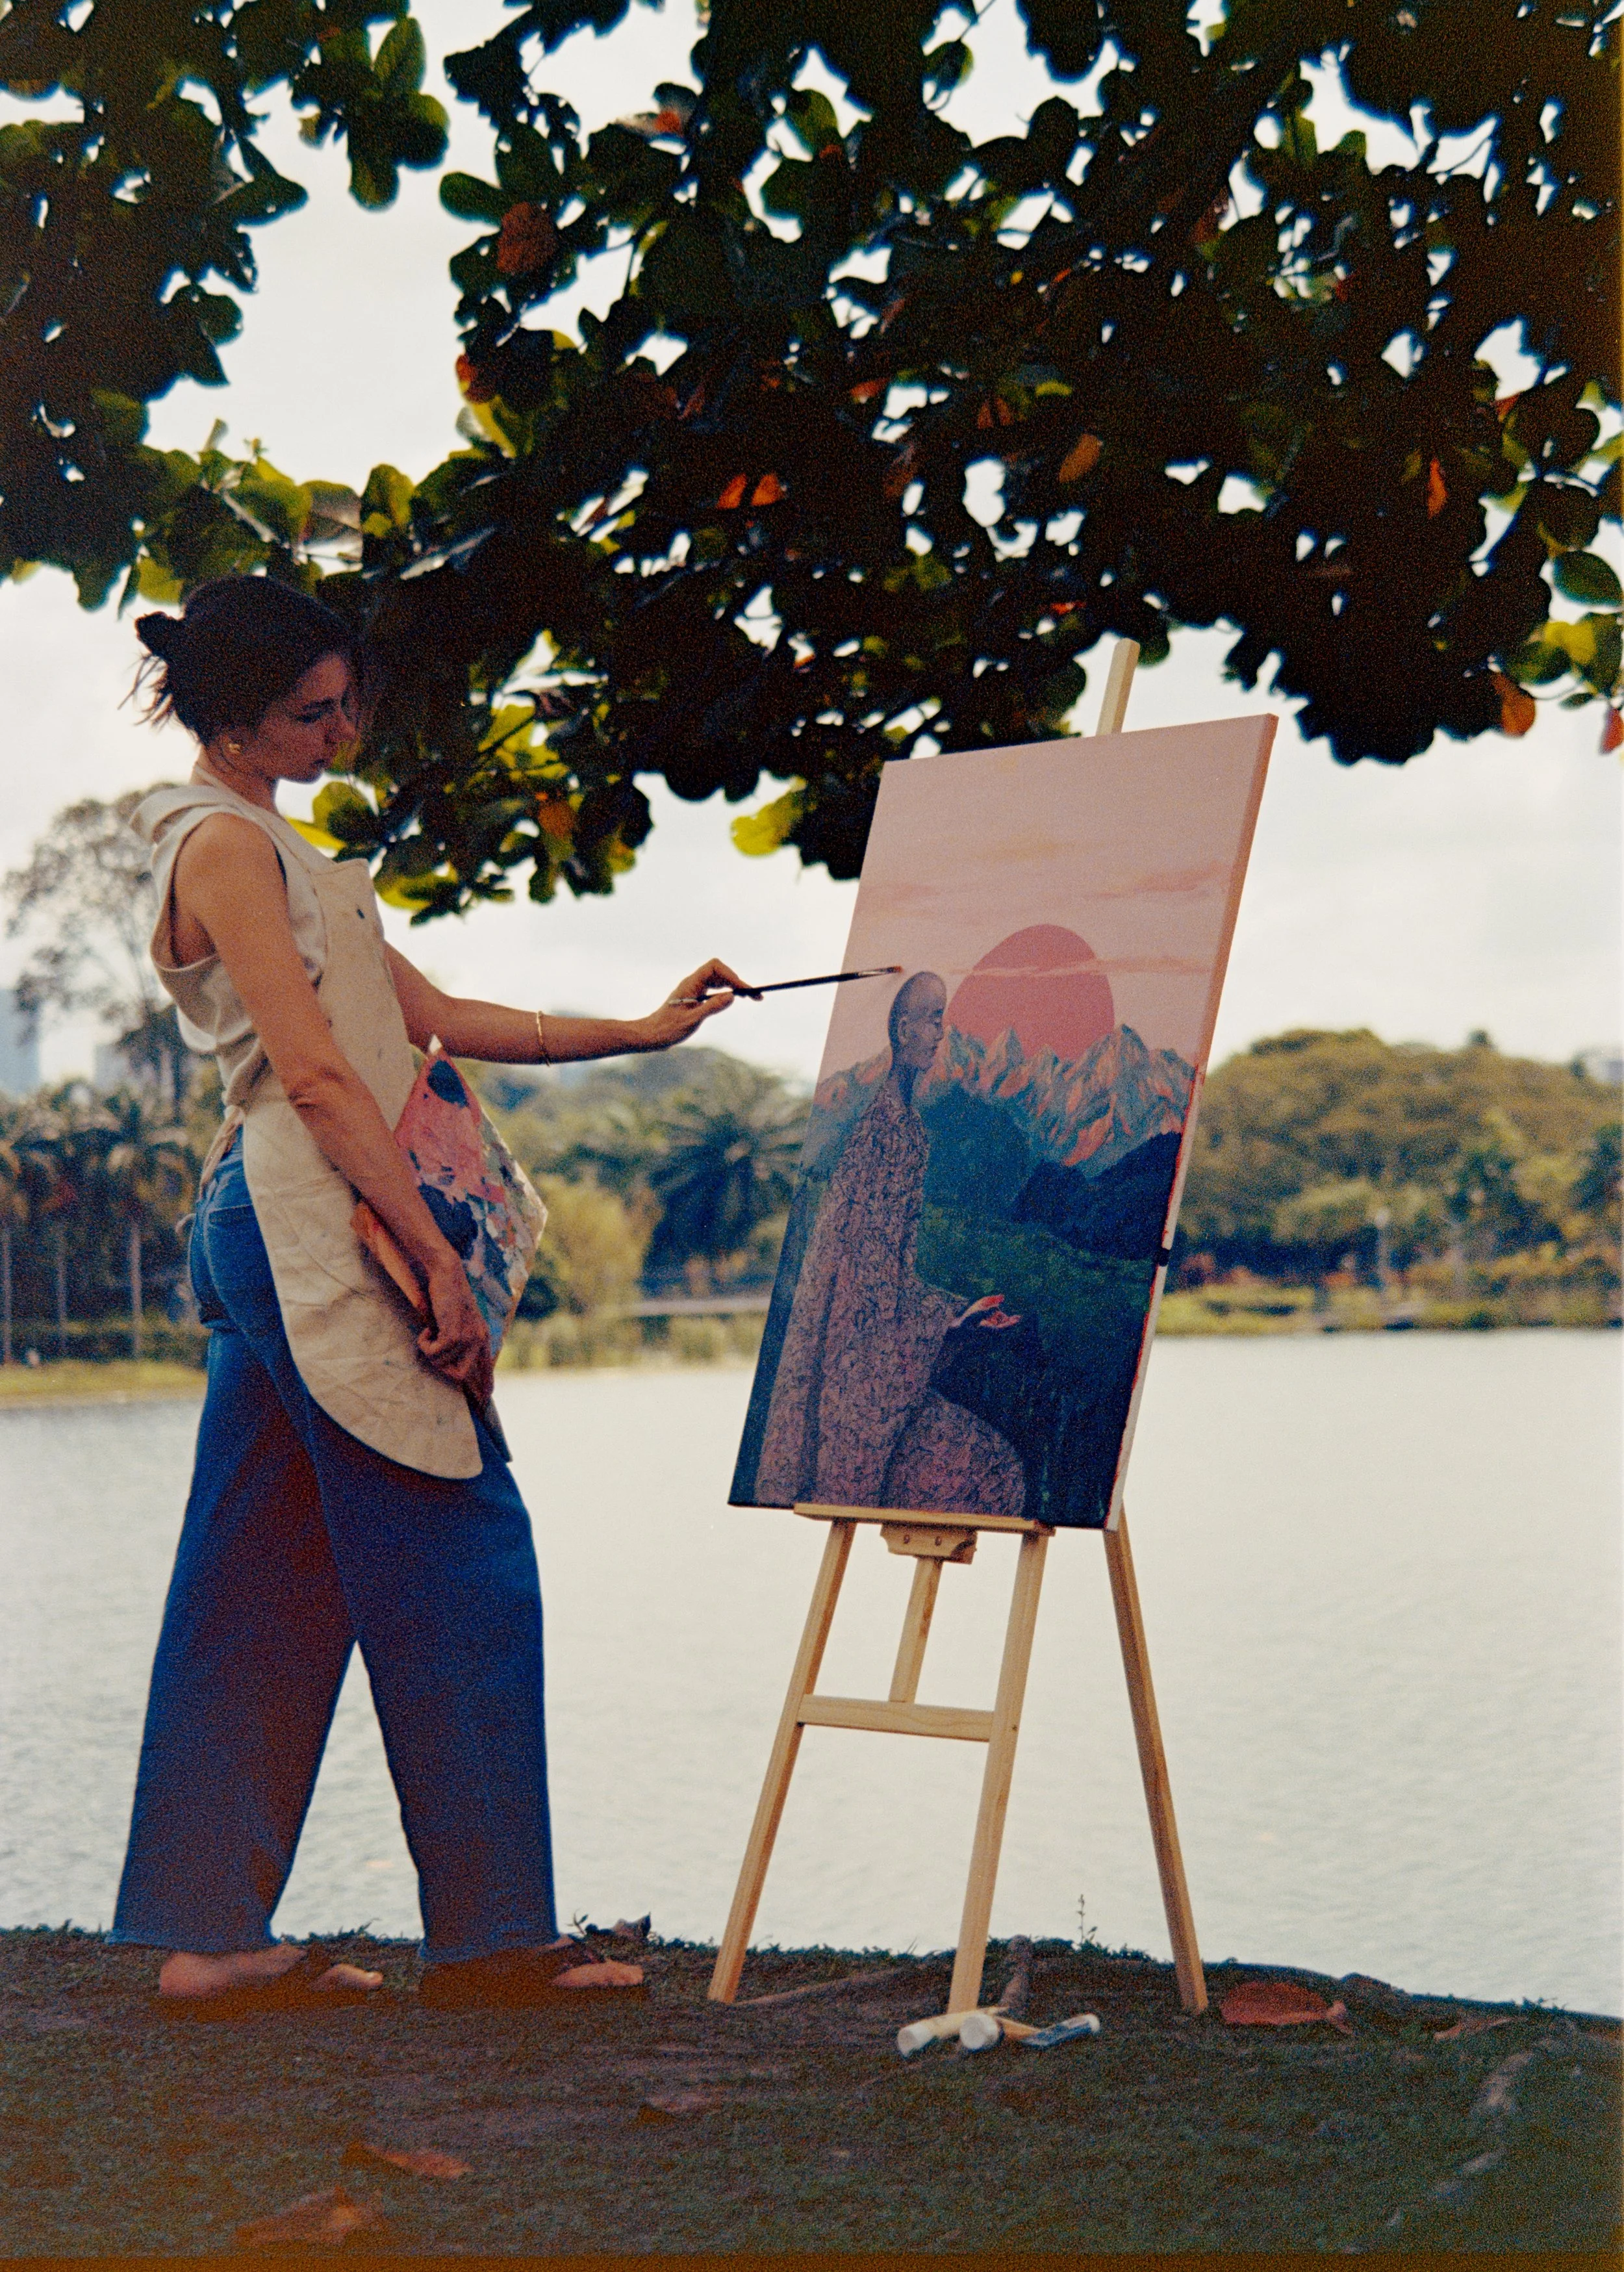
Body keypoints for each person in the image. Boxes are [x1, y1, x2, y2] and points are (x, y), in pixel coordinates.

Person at [109, 574, 746, 2016]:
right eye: (306, 712)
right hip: (305, 1219)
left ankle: (209, 1938)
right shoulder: (221, 845)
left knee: (258, 1578)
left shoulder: (278, 839)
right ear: (228, 713)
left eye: (349, 704)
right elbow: (321, 1076)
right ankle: (496, 1941)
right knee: (463, 1545)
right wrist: (434, 1258)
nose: (340, 732)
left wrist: (644, 1025)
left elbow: (435, 1018)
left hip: (285, 1218)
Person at [753, 970, 1028, 1514]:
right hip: (860, 1393)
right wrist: (947, 1321)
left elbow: (880, 1276)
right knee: (994, 1472)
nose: (941, 1032)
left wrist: (956, 1312)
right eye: (932, 1019)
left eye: (942, 1019)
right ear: (903, 1029)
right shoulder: (889, 1135)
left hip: (873, 1369)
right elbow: (867, 1289)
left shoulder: (901, 1125)